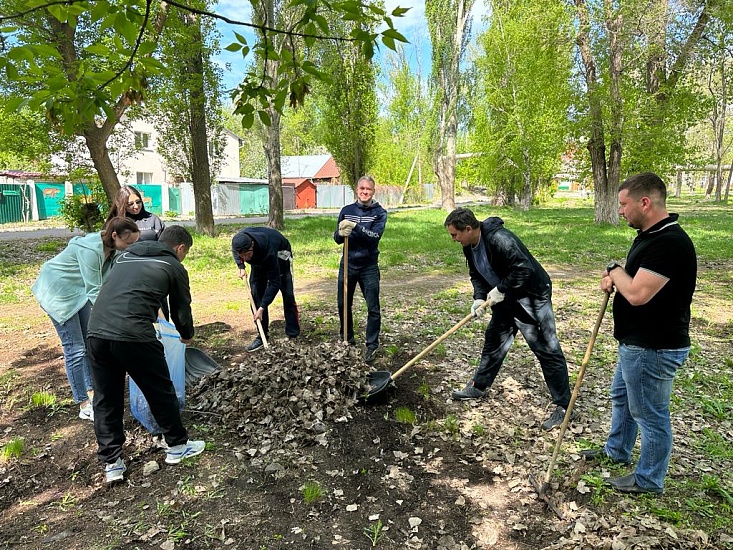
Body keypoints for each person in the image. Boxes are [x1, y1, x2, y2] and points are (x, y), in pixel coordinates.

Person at [581, 172, 697, 495]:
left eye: (623, 204)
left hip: (654, 347)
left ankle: (648, 479)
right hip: (637, 342)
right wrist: (616, 277)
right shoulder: (650, 235)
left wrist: (614, 271)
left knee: (649, 414)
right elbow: (633, 278)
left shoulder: (669, 243)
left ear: (645, 203)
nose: (620, 211)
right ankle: (617, 450)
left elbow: (636, 294)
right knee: (622, 396)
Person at [86, 225, 205, 483]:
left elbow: (133, 292)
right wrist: (186, 334)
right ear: (180, 248)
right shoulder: (174, 267)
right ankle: (176, 447)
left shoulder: (127, 257)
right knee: (159, 389)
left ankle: (113, 464)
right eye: (185, 253)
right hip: (133, 335)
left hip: (96, 332)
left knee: (107, 398)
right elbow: (181, 308)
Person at [444, 207, 572, 431]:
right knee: (494, 341)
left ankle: (564, 407)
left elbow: (525, 269)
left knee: (546, 350)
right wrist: (479, 297)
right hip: (506, 299)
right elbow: (476, 274)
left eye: (455, 235)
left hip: (531, 298)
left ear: (467, 229)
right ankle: (478, 386)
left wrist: (500, 289)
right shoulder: (469, 246)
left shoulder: (500, 239)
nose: (453, 239)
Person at [31, 217, 140, 421]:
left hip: (78, 292)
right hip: (59, 292)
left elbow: (110, 284)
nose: (130, 247)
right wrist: (116, 318)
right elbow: (95, 291)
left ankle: (94, 393)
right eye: (128, 242)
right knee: (75, 348)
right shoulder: (91, 250)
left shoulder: (114, 251)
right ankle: (83, 404)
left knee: (90, 342)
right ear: (114, 235)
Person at [334, 175, 387, 363]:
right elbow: (337, 238)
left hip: (368, 266)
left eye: (369, 190)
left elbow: (374, 236)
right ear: (357, 190)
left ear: (373, 191)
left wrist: (356, 227)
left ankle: (371, 345)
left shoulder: (380, 213)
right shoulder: (346, 211)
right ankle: (346, 338)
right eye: (362, 189)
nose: (365, 192)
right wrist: (340, 233)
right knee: (343, 304)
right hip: (347, 264)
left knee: (373, 308)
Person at [231, 227, 300, 351]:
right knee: (256, 295)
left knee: (287, 294)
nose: (245, 258)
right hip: (259, 260)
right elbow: (237, 254)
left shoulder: (269, 249)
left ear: (252, 245)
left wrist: (263, 307)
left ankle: (293, 333)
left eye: (247, 254)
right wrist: (241, 266)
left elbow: (274, 283)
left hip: (280, 255)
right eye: (243, 255)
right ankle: (262, 336)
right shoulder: (239, 242)